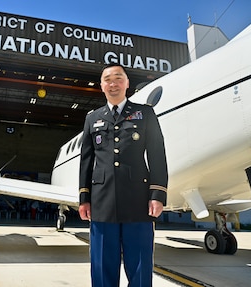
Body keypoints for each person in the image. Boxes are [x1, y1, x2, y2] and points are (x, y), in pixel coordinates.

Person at [78, 64, 168, 287]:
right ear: (101, 86)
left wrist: (157, 194)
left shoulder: (145, 113)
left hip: (138, 200)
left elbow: (157, 153)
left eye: (118, 78)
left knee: (139, 263)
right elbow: (86, 161)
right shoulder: (93, 118)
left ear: (127, 84)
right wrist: (84, 198)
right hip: (101, 201)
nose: (113, 83)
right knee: (101, 264)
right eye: (107, 79)